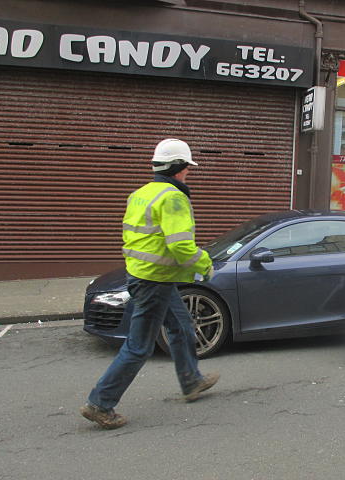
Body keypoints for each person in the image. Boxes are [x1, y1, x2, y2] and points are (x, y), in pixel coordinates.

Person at [80, 138, 219, 429]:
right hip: (154, 281)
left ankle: (191, 380)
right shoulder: (173, 197)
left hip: (147, 276)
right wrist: (205, 264)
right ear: (180, 168)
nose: (189, 173)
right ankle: (100, 403)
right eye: (188, 168)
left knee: (180, 327)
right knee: (139, 346)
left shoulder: (141, 194)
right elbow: (180, 246)